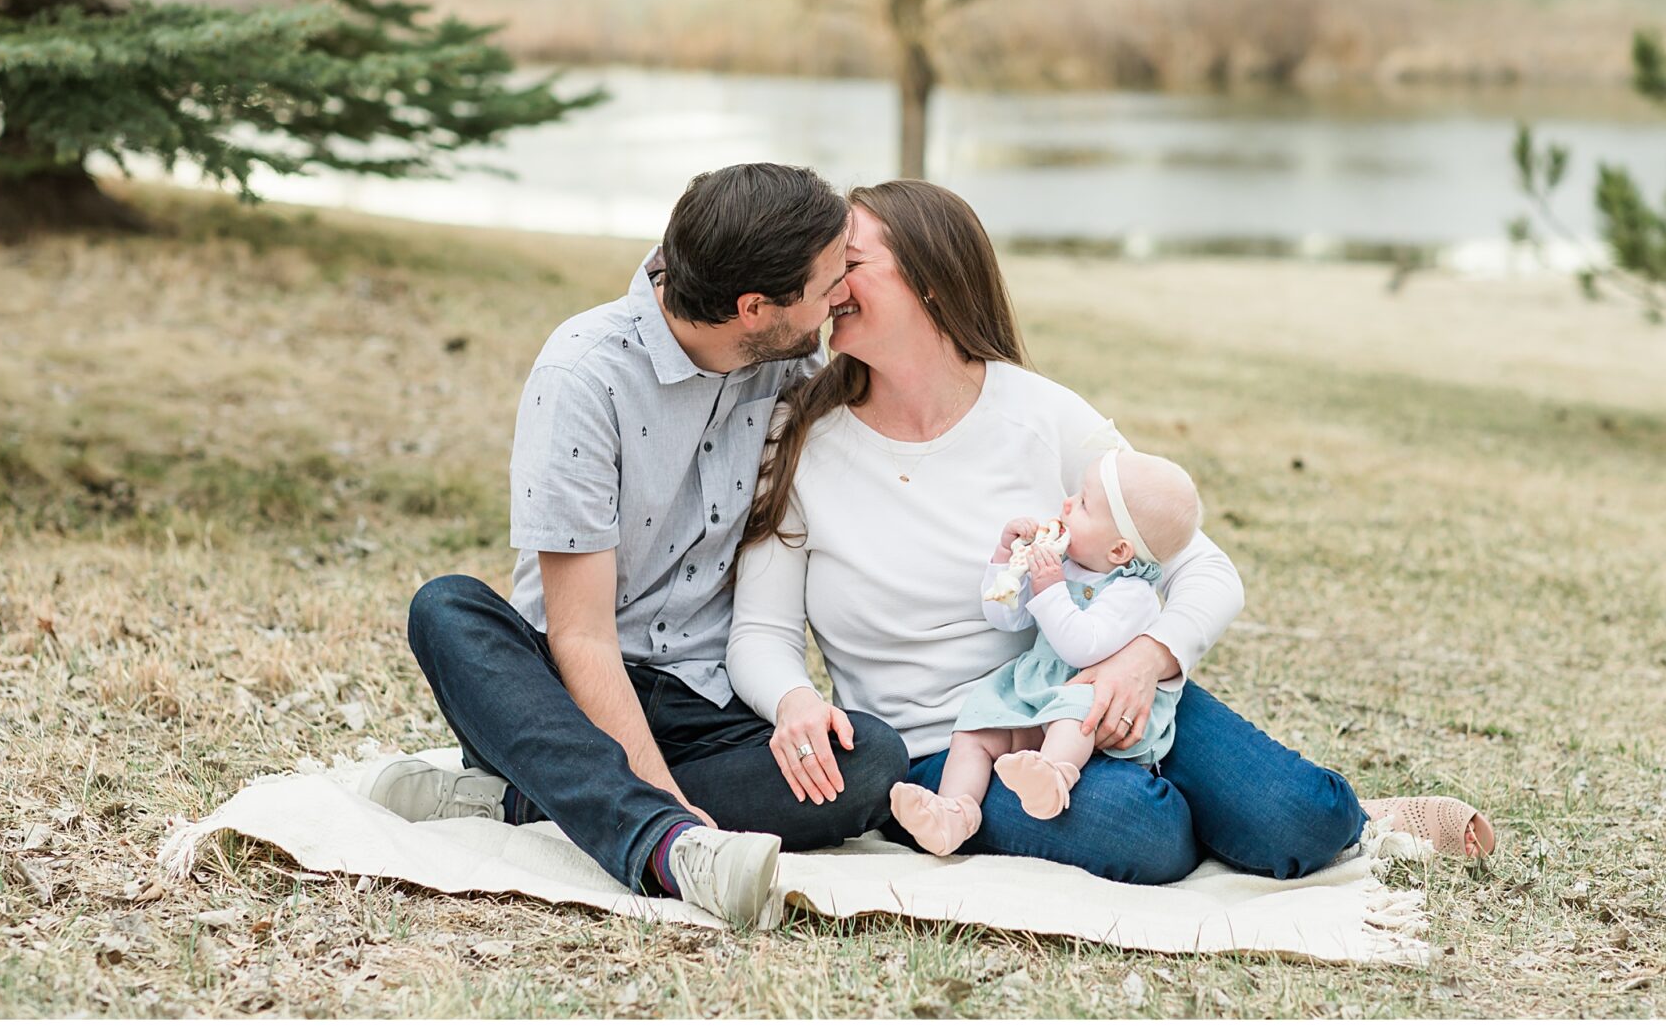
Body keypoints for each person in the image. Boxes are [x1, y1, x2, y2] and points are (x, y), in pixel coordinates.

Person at [728, 179, 1493, 886]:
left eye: (849, 263)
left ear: (930, 280)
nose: (825, 287)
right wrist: (796, 698)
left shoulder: (1041, 413)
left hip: (1094, 698)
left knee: (1308, 816)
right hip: (949, 746)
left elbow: (1206, 566)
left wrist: (1145, 656)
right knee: (1143, 830)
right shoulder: (798, 440)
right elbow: (758, 631)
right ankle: (1151, 812)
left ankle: (1361, 819)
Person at [364, 164, 910, 929]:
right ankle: (666, 846)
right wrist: (671, 807)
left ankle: (531, 797)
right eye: (828, 285)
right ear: (754, 307)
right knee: (446, 608)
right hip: (565, 688)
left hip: (703, 701)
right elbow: (581, 635)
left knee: (873, 763)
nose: (840, 297)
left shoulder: (791, 362)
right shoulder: (584, 374)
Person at [890, 449, 1204, 856]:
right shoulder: (1068, 563)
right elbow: (1006, 617)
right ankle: (955, 811)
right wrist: (1008, 561)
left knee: (1076, 713)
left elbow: (1080, 645)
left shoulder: (1132, 593)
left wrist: (1050, 586)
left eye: (1085, 504)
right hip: (1038, 691)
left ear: (1120, 552)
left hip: (1088, 696)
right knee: (975, 732)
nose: (1068, 503)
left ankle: (1053, 775)